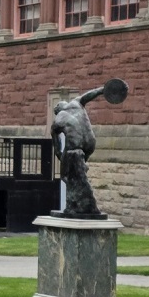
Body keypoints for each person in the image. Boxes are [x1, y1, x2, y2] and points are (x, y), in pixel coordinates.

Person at [51, 87, 105, 217]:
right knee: (79, 172)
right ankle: (81, 201)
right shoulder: (77, 101)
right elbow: (92, 93)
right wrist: (103, 90)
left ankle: (75, 204)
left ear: (58, 110)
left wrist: (61, 157)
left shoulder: (57, 120)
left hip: (74, 148)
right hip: (90, 144)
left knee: (66, 176)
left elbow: (56, 145)